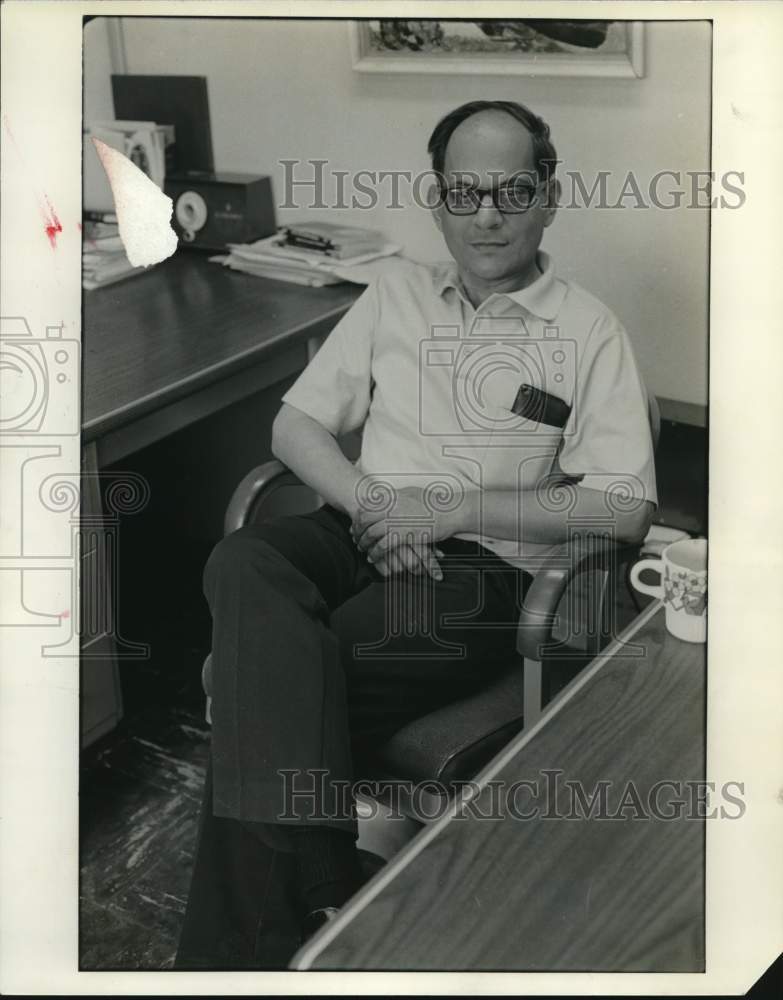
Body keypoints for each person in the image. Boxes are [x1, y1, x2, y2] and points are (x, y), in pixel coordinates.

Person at [175, 99, 657, 969]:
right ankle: (324, 878)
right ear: (436, 199)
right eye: (465, 192)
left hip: (479, 572)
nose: (486, 214)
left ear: (548, 196)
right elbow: (294, 430)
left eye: (510, 190)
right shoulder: (391, 293)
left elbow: (624, 507)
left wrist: (449, 511)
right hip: (354, 526)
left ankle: (250, 948)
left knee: (268, 680)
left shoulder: (588, 333)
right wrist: (373, 507)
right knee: (244, 558)